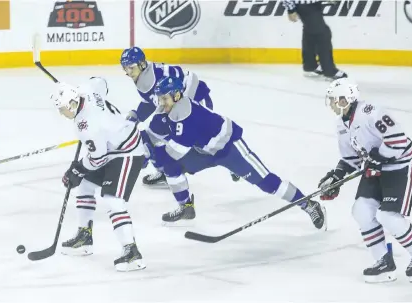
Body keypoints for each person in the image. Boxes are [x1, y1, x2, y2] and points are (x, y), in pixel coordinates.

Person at [147, 76, 327, 229]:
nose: (162, 104)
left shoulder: (187, 118)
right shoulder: (172, 108)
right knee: (171, 166)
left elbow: (174, 151)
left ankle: (308, 204)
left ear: (177, 95)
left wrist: (151, 154)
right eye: (160, 99)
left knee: (267, 183)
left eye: (165, 99)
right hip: (204, 151)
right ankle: (186, 206)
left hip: (229, 148)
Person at [318, 78, 412, 283]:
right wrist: (337, 176)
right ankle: (384, 262)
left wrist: (379, 157)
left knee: (388, 216)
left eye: (334, 100)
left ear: (345, 99)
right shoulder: (342, 124)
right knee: (361, 210)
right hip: (378, 169)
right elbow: (351, 158)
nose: (331, 104)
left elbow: (398, 140)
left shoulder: (370, 112)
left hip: (401, 167)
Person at [51, 77, 146, 272]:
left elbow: (97, 159)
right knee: (85, 185)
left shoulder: (87, 126)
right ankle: (84, 237)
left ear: (72, 102)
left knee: (113, 199)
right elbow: (101, 82)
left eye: (62, 108)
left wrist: (77, 169)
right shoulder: (85, 89)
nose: (61, 113)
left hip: (126, 151)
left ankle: (132, 252)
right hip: (110, 145)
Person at [282, 0, 348, 80]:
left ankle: (310, 66)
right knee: (323, 34)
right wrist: (291, 9)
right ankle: (329, 70)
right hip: (305, 5)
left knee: (310, 33)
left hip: (313, 4)